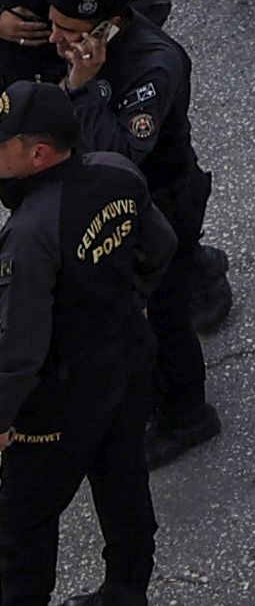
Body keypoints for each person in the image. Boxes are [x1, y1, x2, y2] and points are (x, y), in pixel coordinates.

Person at [0, 80, 171, 604]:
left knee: (22, 524)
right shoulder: (114, 172)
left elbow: (19, 349)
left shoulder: (30, 233)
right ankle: (127, 590)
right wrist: (130, 299)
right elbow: (159, 244)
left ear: (38, 153)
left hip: (59, 398)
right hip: (125, 357)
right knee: (123, 482)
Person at [45, 0, 217, 465]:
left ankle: (187, 415)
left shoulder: (153, 65)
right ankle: (205, 279)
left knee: (165, 317)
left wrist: (83, 88)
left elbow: (121, 154)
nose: (56, 38)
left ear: (108, 27)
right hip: (130, 200)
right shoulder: (87, 51)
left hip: (161, 200)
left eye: (69, 30)